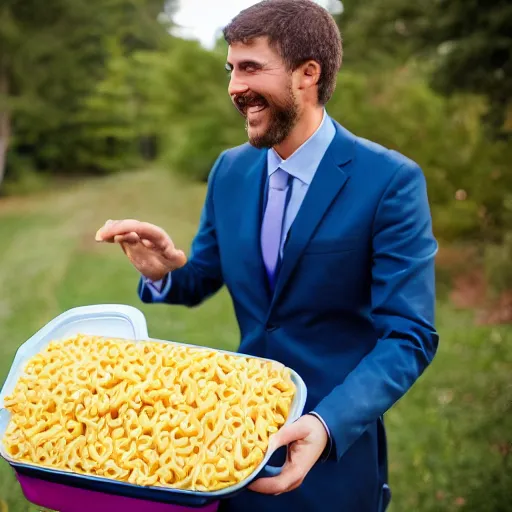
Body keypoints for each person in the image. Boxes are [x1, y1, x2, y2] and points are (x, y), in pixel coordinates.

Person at [95, 1, 439, 510]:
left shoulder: (390, 181)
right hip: (233, 445)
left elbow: (409, 336)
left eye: (251, 68)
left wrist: (326, 424)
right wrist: (167, 272)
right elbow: (206, 276)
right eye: (231, 69)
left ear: (308, 73)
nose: (234, 87)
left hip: (335, 455)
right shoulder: (230, 170)